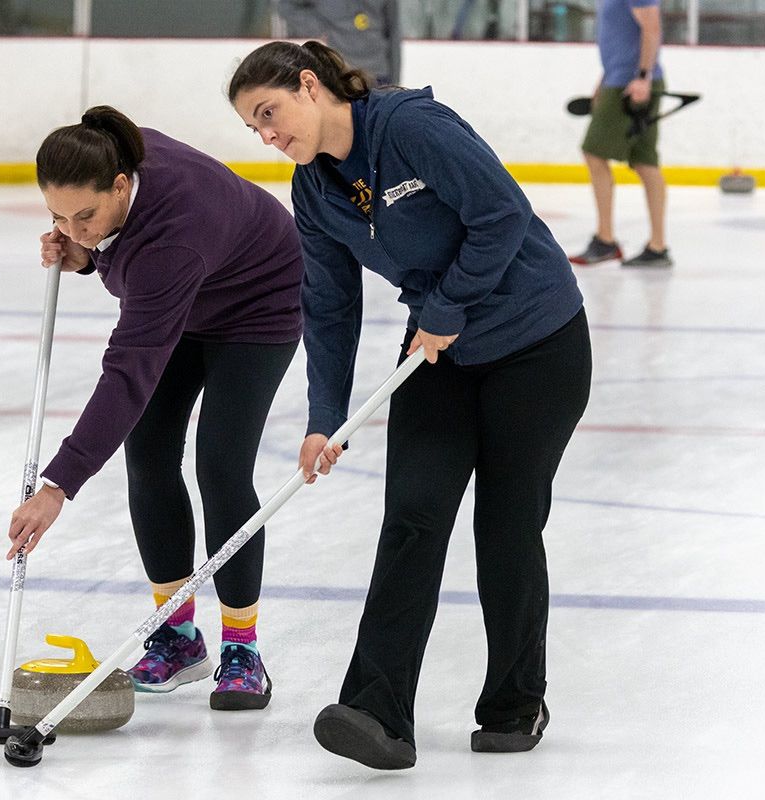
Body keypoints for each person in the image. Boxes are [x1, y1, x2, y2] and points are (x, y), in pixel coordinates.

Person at [229, 42, 592, 768]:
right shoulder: (315, 191)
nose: (268, 137)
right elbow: (328, 308)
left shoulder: (409, 127)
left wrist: (451, 303)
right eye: (254, 130)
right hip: (440, 353)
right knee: (412, 520)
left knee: (507, 526)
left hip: (537, 340)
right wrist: (323, 417)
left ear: (310, 85)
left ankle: (516, 702)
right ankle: (377, 712)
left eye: (270, 115)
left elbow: (502, 212)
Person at [5, 105, 304, 711]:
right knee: (148, 456)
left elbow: (128, 373)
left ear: (121, 185)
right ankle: (177, 635)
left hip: (256, 307)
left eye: (84, 216)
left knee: (221, 464)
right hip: (186, 304)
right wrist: (86, 249)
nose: (70, 227)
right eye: (56, 215)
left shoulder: (174, 241)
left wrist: (58, 484)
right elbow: (121, 253)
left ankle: (241, 647)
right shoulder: (112, 150)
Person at [568, 0, 672, 268]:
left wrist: (643, 77)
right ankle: (657, 247)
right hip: (619, 80)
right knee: (645, 161)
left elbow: (652, 27)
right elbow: (619, 41)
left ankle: (605, 240)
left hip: (630, 85)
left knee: (593, 152)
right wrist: (603, 81)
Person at [277, 0, 401, 84]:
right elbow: (286, 5)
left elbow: (393, 29)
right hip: (339, 73)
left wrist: (395, 82)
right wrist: (318, 28)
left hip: (378, 73)